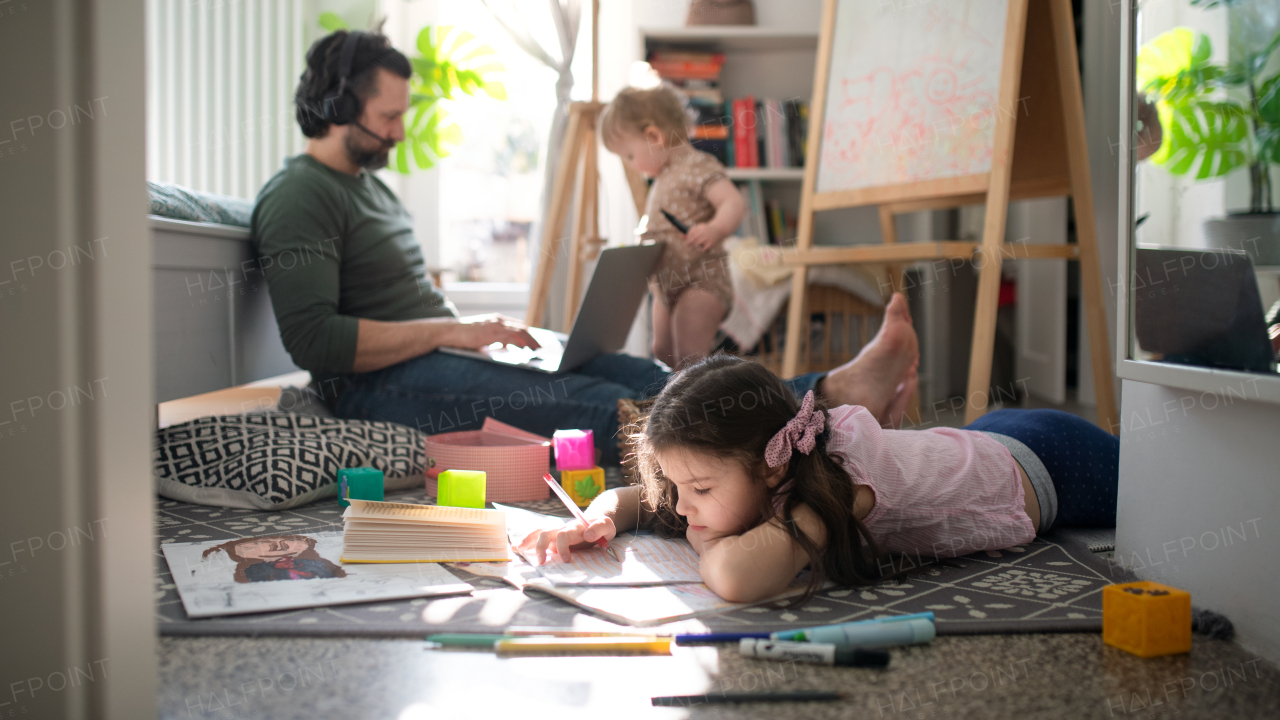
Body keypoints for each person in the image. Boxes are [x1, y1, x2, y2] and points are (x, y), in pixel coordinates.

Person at [251, 28, 919, 464]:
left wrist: (469, 333)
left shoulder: (370, 189)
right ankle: (824, 423)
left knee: (654, 377)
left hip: (436, 352)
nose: (399, 133)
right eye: (388, 117)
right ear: (338, 106)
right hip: (378, 386)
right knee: (605, 412)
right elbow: (316, 345)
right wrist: (447, 335)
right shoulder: (298, 195)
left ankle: (827, 391)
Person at [517, 354, 1119, 604]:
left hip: (1050, 465)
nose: (682, 507)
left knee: (1188, 484)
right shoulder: (750, 469)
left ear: (771, 465)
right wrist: (600, 517)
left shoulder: (836, 486)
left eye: (699, 490)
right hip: (982, 437)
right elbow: (643, 502)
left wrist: (708, 542)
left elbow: (733, 576)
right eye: (678, 488)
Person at [600, 86, 746, 369]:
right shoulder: (662, 177)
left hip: (701, 279)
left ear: (654, 136)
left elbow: (733, 202)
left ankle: (701, 406)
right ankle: (685, 399)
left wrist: (714, 228)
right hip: (666, 284)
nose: (631, 165)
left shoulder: (697, 164)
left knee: (690, 353)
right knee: (662, 349)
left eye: (630, 155)